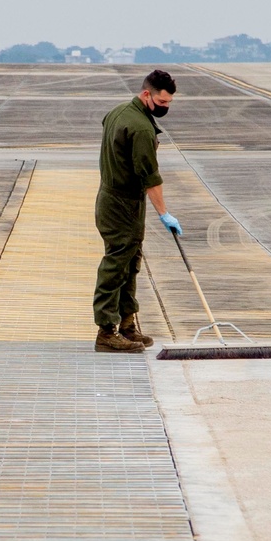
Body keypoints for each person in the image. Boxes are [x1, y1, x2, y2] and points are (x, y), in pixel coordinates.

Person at [93, 67, 181, 353]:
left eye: (169, 103)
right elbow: (149, 176)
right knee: (117, 265)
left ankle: (128, 325)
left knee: (130, 263)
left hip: (112, 198)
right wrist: (164, 213)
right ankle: (107, 331)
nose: (165, 107)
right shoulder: (141, 128)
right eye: (162, 102)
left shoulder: (119, 111)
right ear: (147, 95)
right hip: (121, 203)